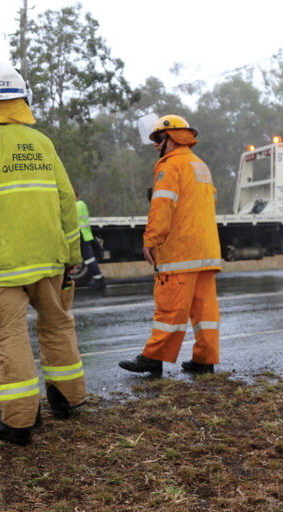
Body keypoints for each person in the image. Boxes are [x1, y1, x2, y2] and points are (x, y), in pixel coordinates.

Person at [0, 63, 87, 446]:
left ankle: (18, 422)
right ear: (23, 99)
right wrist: (72, 253)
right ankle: (68, 400)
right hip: (48, 257)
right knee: (57, 325)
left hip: (2, 262)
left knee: (10, 335)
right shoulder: (42, 142)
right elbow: (66, 198)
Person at [119, 114, 221, 375]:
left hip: (180, 252)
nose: (155, 144)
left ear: (172, 137)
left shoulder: (170, 165)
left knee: (169, 309)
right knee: (205, 311)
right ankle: (205, 359)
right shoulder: (200, 165)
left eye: (158, 138)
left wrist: (151, 240)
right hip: (206, 251)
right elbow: (209, 203)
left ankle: (153, 358)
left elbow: (162, 206)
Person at [74, 185, 105, 289]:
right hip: (85, 234)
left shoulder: (77, 205)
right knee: (89, 259)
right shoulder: (82, 204)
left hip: (82, 235)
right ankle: (98, 279)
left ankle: (99, 280)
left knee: (89, 260)